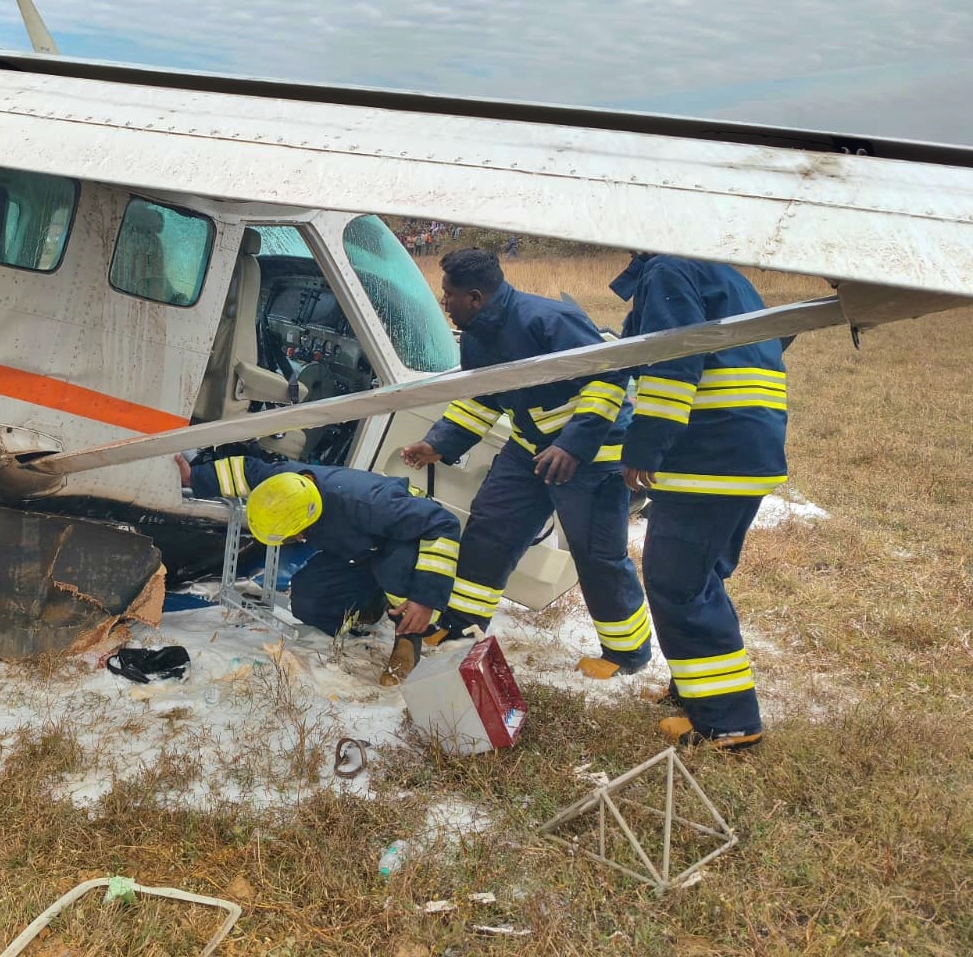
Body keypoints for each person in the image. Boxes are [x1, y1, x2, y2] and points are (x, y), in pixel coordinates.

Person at [401, 248, 652, 678]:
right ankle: (464, 626)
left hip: (591, 452)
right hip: (529, 449)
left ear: (476, 297)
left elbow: (608, 378)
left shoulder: (548, 320)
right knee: (489, 530)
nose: (445, 304)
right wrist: (439, 443)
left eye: (450, 296)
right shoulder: (477, 336)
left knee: (598, 556)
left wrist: (572, 446)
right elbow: (481, 399)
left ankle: (626, 653)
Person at [613, 253, 788, 751]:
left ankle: (727, 721)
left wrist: (644, 447)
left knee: (679, 583)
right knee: (699, 579)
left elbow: (675, 359)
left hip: (707, 455)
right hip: (746, 450)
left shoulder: (667, 270)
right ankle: (697, 691)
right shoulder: (723, 272)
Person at [181, 453, 461, 685]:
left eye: (297, 535)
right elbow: (246, 470)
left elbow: (443, 523)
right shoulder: (282, 482)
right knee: (308, 600)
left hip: (404, 538)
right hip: (357, 547)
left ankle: (410, 637)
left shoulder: (368, 503)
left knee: (394, 569)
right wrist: (193, 477)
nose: (297, 541)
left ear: (310, 517)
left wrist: (426, 597)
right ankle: (370, 606)